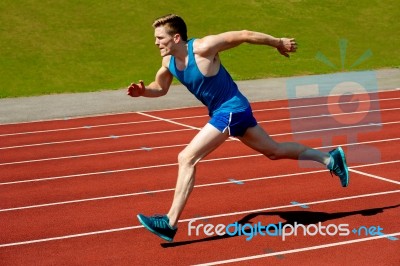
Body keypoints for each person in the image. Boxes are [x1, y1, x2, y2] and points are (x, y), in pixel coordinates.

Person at [128, 14, 349, 242]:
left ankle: (170, 222)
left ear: (175, 38)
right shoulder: (169, 63)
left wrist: (278, 42)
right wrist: (143, 92)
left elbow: (243, 35)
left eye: (159, 38)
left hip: (231, 109)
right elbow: (160, 87)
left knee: (186, 158)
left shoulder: (203, 48)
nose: (155, 42)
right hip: (229, 112)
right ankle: (330, 159)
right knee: (274, 150)